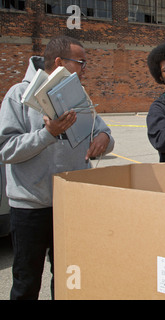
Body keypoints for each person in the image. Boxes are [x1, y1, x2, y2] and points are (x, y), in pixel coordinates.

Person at [0, 35, 114, 300]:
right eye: (81, 62)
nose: (85, 69)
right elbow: (6, 149)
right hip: (31, 208)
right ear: (61, 62)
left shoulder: (79, 95)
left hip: (70, 206)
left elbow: (102, 130)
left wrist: (104, 138)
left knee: (68, 280)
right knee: (26, 282)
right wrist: (47, 133)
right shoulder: (18, 95)